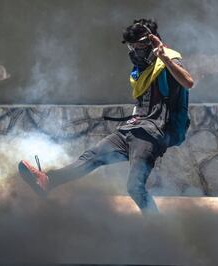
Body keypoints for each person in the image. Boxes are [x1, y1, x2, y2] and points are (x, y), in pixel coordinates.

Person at [19, 18, 194, 215]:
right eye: (132, 46)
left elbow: (188, 82)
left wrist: (165, 58)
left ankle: (159, 232)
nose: (135, 51)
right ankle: (48, 181)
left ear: (150, 43)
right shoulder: (141, 71)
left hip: (154, 133)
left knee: (135, 187)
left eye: (139, 46)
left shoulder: (168, 60)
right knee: (92, 156)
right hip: (132, 129)